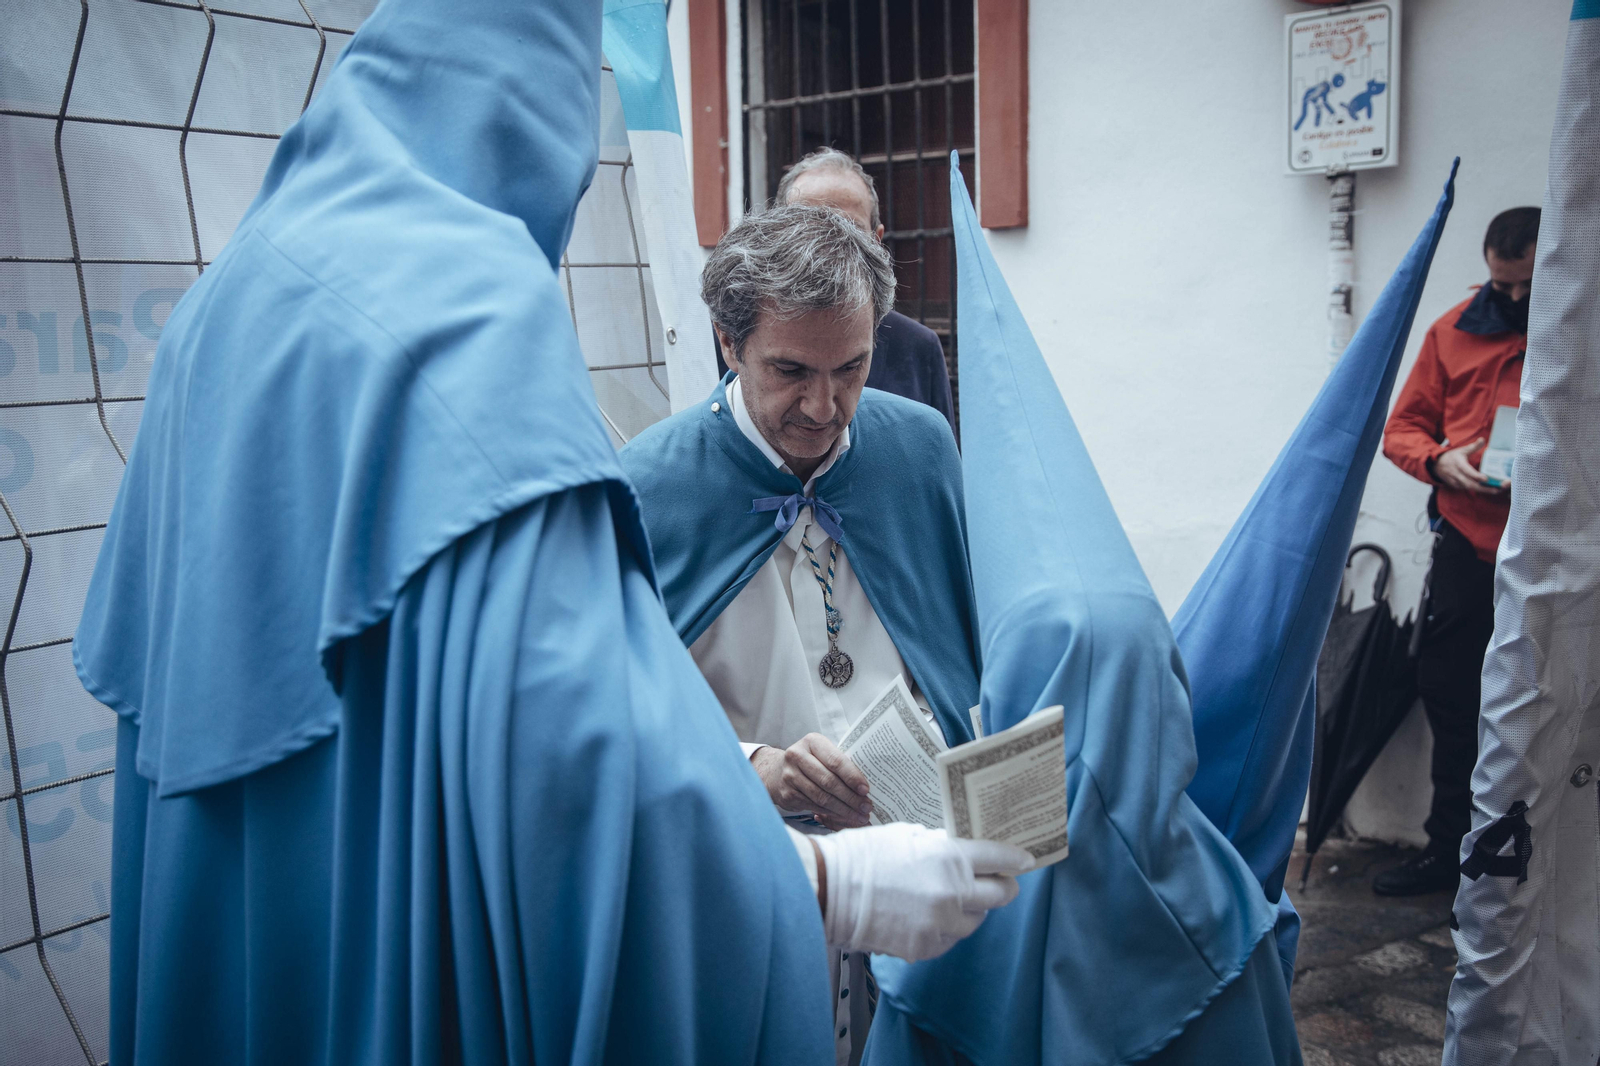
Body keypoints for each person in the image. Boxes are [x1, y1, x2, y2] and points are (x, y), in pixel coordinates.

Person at [71, 3, 1026, 1063]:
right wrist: (818, 879)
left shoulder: (224, 304)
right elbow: (569, 762)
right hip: (419, 918)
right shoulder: (469, 316)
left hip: (260, 887)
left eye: (847, 372)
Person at [620, 203, 994, 1065]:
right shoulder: (647, 486)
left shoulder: (920, 449)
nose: (825, 407)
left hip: (914, 855)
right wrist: (760, 765)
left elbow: (962, 645)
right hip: (752, 870)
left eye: (852, 368)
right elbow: (628, 714)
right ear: (727, 340)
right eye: (791, 370)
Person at [1375, 205, 1539, 896]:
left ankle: (1537, 868)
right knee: (1451, 698)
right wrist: (1440, 462)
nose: (1514, 299)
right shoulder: (1451, 330)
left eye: (1528, 285)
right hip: (1466, 551)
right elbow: (1403, 427)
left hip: (1552, 557)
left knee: (1545, 706)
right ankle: (1450, 855)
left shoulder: (1579, 327)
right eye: (1501, 286)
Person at [714, 147, 956, 432]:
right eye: (788, 369)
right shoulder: (736, 332)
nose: (826, 248)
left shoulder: (917, 347)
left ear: (876, 241)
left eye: (849, 230)